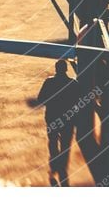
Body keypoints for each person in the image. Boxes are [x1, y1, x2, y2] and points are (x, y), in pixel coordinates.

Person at [37, 59, 80, 187]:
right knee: (66, 143)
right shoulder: (73, 83)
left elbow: (41, 99)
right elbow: (79, 101)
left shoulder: (49, 82)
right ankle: (63, 166)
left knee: (53, 140)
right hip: (68, 118)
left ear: (56, 69)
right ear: (66, 69)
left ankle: (54, 162)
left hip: (52, 116)